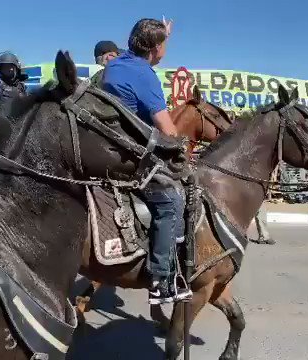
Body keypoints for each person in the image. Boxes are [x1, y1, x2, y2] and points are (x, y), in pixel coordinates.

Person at [103, 18, 192, 305]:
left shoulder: (115, 64)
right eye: (164, 43)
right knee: (171, 200)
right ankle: (161, 278)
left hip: (107, 148)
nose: (166, 47)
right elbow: (168, 129)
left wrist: (163, 33)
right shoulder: (145, 75)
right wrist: (181, 145)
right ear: (154, 48)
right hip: (131, 158)